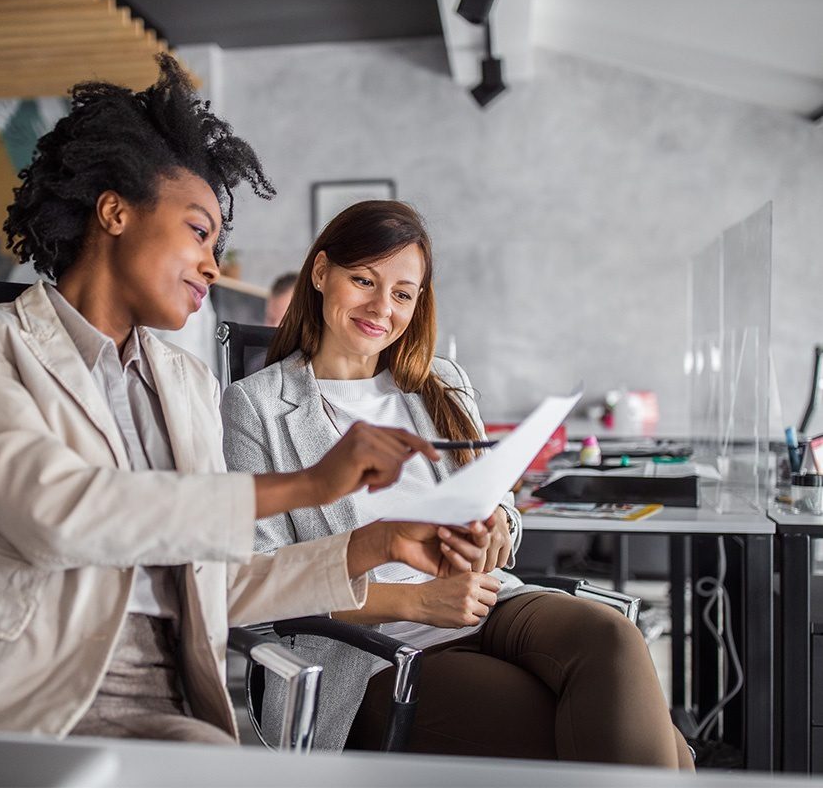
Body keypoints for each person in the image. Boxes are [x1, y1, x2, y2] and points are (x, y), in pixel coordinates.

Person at [0, 59, 487, 743]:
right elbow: (54, 512)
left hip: (162, 702)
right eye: (198, 230)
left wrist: (376, 543)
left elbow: (223, 584)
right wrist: (304, 485)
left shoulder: (187, 384)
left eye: (217, 241)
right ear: (115, 211)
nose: (213, 264)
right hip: (8, 696)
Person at [221, 200, 693, 768]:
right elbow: (257, 584)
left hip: (488, 600)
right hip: (367, 652)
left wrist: (499, 526)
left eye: (402, 293)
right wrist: (415, 600)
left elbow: (502, 508)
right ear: (321, 273)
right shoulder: (256, 407)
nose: (381, 308)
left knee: (612, 638)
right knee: (646, 744)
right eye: (363, 280)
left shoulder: (440, 383)